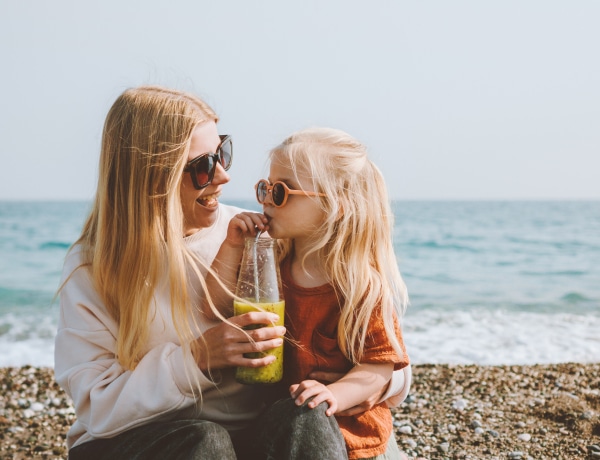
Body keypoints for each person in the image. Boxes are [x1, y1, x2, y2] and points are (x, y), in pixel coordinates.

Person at [54, 86, 409, 460]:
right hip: (137, 442)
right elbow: (98, 410)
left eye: (223, 152)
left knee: (305, 420)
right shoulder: (95, 266)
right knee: (205, 441)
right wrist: (196, 358)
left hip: (249, 437)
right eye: (203, 166)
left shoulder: (251, 235)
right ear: (152, 177)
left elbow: (381, 352)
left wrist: (366, 382)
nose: (223, 176)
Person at [205, 127, 411, 459]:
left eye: (282, 192)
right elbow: (213, 308)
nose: (267, 200)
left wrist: (335, 395)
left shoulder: (360, 286)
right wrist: (231, 247)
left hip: (351, 436)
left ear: (336, 205)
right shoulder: (271, 263)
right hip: (282, 428)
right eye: (265, 188)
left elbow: (378, 368)